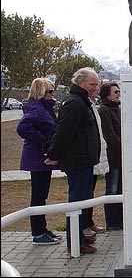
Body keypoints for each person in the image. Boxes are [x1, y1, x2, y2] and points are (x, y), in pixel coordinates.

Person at [45, 67, 102, 255]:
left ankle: (80, 237)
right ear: (80, 83)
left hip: (85, 160)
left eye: (97, 84)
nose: (96, 88)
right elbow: (64, 132)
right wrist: (54, 155)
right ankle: (74, 243)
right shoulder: (74, 103)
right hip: (77, 161)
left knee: (83, 202)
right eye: (92, 84)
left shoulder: (82, 101)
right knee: (76, 204)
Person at [16, 78, 62, 245]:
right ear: (42, 93)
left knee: (42, 196)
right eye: (50, 91)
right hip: (38, 159)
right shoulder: (36, 109)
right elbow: (22, 128)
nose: (53, 95)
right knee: (38, 197)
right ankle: (38, 233)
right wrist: (44, 142)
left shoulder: (45, 109)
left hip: (43, 158)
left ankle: (43, 229)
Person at [98, 82, 124, 231]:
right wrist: (123, 147)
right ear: (107, 94)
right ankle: (112, 222)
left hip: (121, 157)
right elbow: (109, 134)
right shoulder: (104, 110)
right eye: (115, 92)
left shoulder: (118, 109)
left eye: (119, 91)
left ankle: (120, 219)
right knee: (112, 189)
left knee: (120, 190)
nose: (118, 94)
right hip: (113, 157)